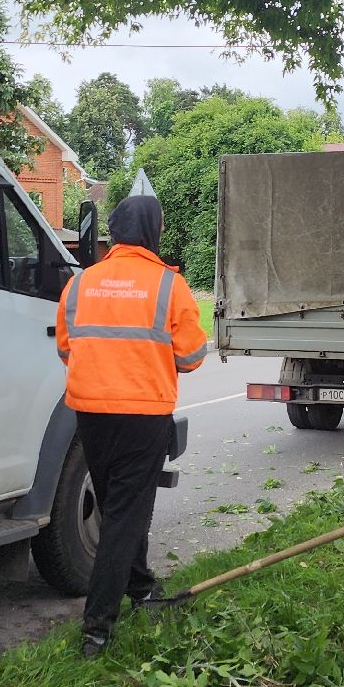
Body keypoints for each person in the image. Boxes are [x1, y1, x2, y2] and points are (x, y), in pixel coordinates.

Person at [53, 195, 208, 657]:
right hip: (143, 415)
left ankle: (140, 587)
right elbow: (191, 357)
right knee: (124, 515)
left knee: (117, 507)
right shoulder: (169, 286)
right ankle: (96, 628)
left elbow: (66, 348)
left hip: (91, 414)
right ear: (153, 232)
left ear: (116, 232)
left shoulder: (81, 283)